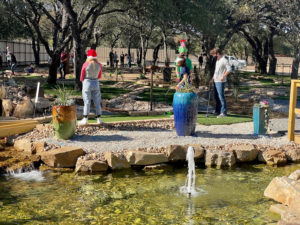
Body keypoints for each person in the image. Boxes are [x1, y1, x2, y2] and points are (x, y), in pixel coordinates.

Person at [78, 49, 103, 125]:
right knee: (97, 102)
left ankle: (85, 118)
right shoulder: (99, 65)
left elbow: (82, 76)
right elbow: (99, 76)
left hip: (87, 82)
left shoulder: (85, 64)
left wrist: (82, 81)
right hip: (96, 83)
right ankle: (99, 119)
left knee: (87, 102)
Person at [209, 48, 231, 118]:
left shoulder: (224, 60)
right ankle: (217, 111)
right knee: (216, 97)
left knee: (221, 97)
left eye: (213, 54)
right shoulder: (217, 60)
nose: (213, 56)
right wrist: (212, 79)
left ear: (217, 53)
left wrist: (223, 76)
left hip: (221, 82)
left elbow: (229, 69)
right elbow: (216, 71)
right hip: (215, 81)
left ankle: (223, 112)